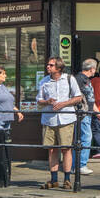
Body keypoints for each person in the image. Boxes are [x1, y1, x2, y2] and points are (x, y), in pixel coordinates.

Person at [37, 57, 82, 189]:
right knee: (51, 150)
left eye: (51, 65)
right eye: (48, 64)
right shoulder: (44, 81)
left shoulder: (69, 79)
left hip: (66, 119)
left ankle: (67, 179)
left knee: (66, 149)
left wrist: (64, 104)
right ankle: (54, 179)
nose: (48, 67)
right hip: (49, 119)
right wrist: (47, 102)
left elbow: (78, 97)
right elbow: (39, 100)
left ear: (59, 68)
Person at [73, 59, 100, 176]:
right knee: (85, 138)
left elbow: (90, 98)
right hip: (82, 113)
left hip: (86, 113)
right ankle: (80, 165)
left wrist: (98, 112)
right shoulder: (79, 79)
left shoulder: (86, 80)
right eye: (95, 68)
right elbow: (76, 96)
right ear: (92, 69)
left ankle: (77, 165)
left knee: (82, 138)